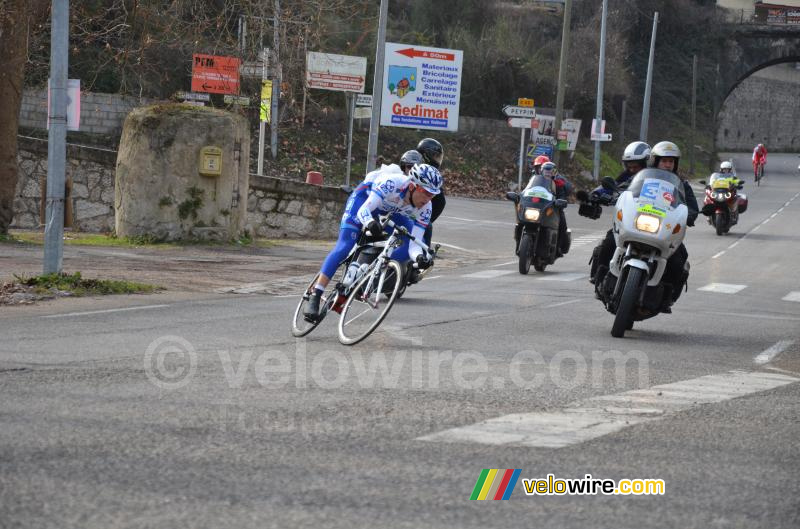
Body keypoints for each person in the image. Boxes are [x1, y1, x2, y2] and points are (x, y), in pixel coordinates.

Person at [304, 163, 442, 320]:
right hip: (365, 201)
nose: (428, 199)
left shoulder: (426, 207)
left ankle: (370, 271)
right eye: (425, 192)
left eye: (433, 195)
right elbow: (364, 211)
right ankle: (316, 293)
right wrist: (369, 222)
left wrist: (418, 257)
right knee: (345, 246)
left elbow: (414, 243)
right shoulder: (392, 183)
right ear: (412, 186)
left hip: (390, 211)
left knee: (412, 241)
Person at [589, 141, 651, 284]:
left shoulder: (658, 178)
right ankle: (600, 277)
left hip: (654, 223)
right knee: (609, 242)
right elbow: (611, 186)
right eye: (629, 166)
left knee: (677, 255)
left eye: (636, 166)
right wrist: (595, 195)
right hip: (630, 221)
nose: (632, 169)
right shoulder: (627, 175)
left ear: (647, 163)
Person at [649, 141, 697, 312]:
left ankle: (666, 298)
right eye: (664, 161)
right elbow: (625, 190)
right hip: (638, 224)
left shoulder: (681, 185)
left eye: (671, 161)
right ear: (655, 161)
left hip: (665, 230)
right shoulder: (644, 178)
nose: (668, 164)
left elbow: (692, 206)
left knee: (679, 259)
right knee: (610, 240)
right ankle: (600, 277)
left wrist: (689, 215)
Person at [520, 161, 572, 256]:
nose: (548, 173)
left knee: (562, 225)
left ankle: (558, 248)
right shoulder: (536, 181)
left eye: (550, 171)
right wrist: (521, 197)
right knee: (520, 220)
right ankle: (519, 240)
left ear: (554, 172)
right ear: (542, 171)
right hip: (539, 207)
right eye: (546, 171)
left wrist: (560, 201)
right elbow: (527, 191)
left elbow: (563, 195)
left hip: (553, 209)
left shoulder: (558, 183)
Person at [416, 138, 445, 244]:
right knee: (427, 227)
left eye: (438, 157)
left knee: (427, 225)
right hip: (401, 205)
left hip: (417, 212)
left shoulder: (432, 172)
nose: (437, 160)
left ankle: (423, 252)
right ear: (425, 155)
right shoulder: (413, 163)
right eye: (435, 156)